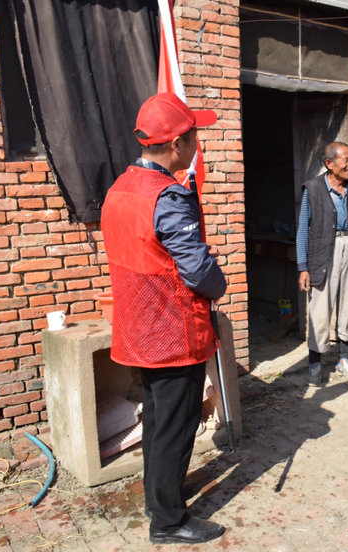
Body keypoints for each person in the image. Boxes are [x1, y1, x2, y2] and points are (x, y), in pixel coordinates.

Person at [101, 93, 228, 544]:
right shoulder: (167, 196)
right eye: (194, 137)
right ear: (176, 143)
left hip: (138, 328)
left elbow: (153, 251)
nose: (197, 145)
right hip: (172, 330)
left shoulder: (120, 188)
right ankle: (169, 521)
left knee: (158, 419)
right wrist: (217, 280)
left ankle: (160, 497)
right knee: (176, 425)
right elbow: (197, 272)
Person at [297, 142, 348, 386]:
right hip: (323, 252)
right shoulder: (312, 189)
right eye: (346, 160)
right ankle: (315, 363)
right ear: (329, 164)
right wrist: (303, 267)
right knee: (320, 309)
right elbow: (303, 229)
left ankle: (344, 359)